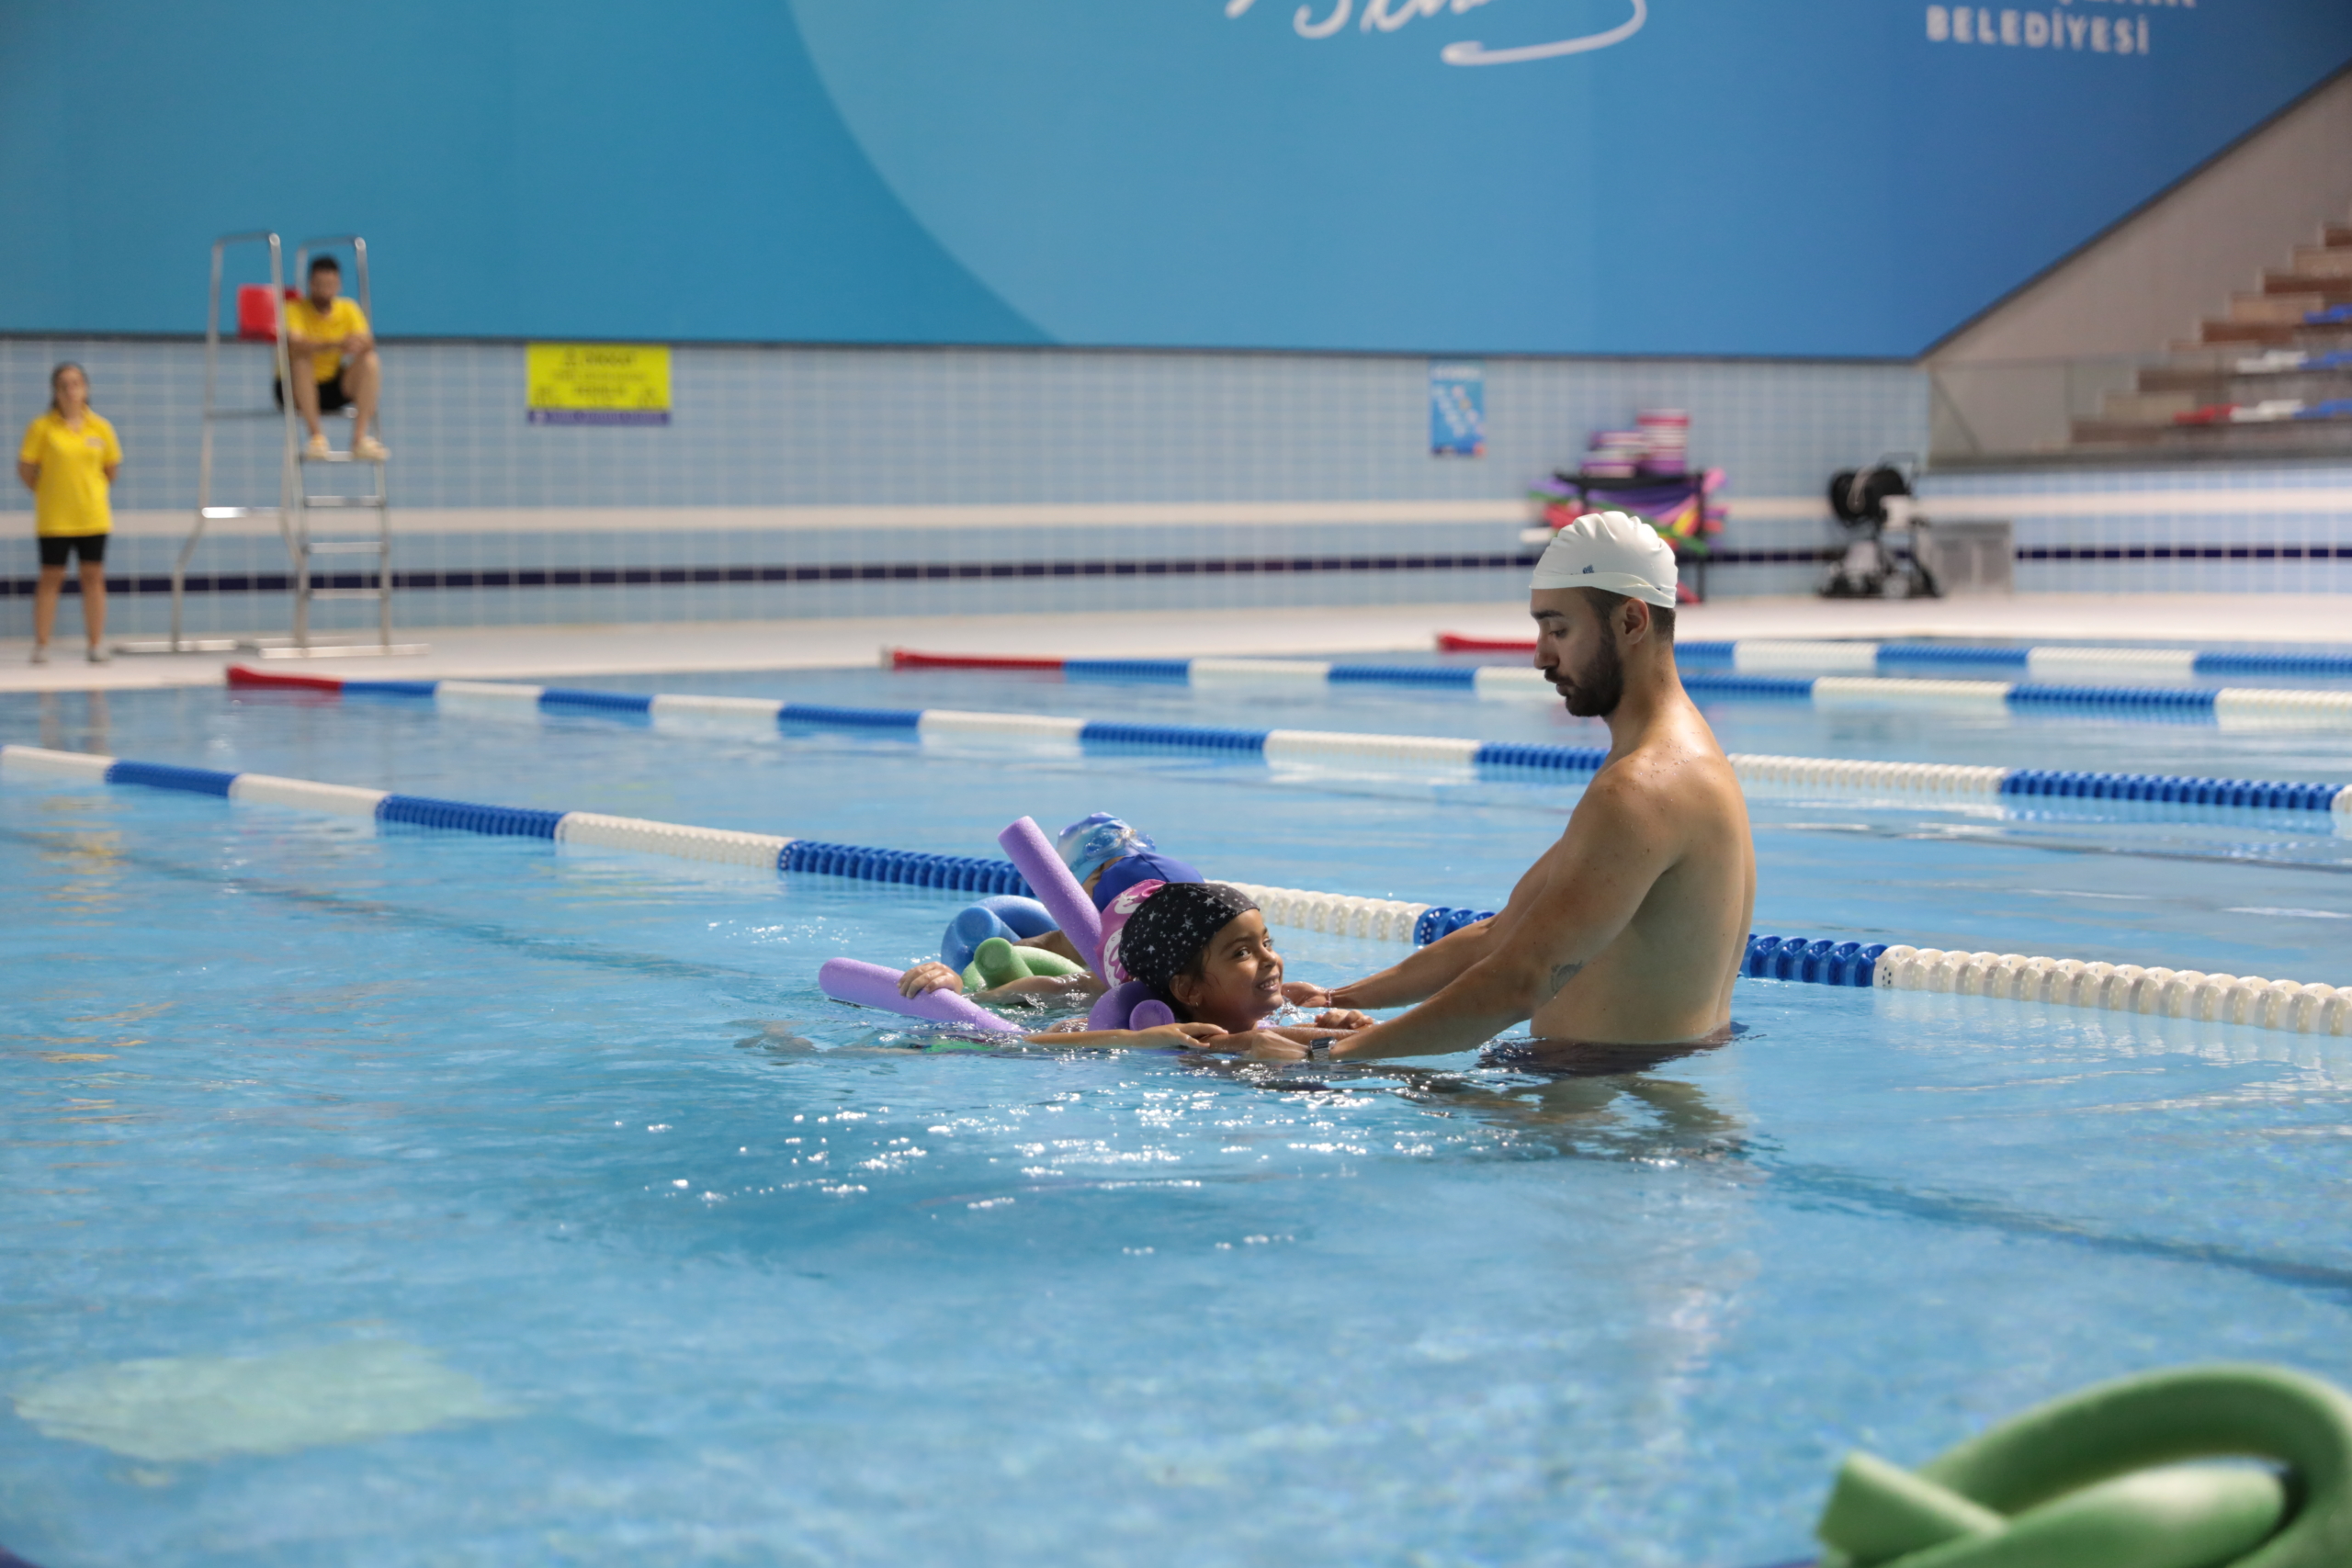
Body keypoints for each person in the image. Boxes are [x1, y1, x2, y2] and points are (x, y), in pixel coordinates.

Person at [1290, 510, 1757, 1063]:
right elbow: (1504, 936)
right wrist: (1330, 1001)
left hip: (1607, 1114)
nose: (1540, 655)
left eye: (1559, 629)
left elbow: (1519, 981)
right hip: (1621, 1093)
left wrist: (1322, 1059)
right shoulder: (1679, 761)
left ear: (1632, 622)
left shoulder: (1641, 787)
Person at [900, 880, 1370, 1054]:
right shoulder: (1108, 1020)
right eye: (1243, 952)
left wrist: (1339, 1018)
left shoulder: (1290, 1003)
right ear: (1187, 990)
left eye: (1267, 942)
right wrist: (953, 985)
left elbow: (1322, 1027)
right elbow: (1010, 1041)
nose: (1271, 959)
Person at [17, 363, 120, 665]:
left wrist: (87, 493)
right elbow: (26, 470)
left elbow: (110, 471)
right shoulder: (42, 428)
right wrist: (50, 492)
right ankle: (41, 645)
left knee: (93, 577)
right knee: (51, 577)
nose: (71, 390)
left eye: (76, 383)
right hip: (55, 518)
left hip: (93, 516)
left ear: (85, 389)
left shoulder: (101, 428)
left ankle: (96, 644)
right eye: (64, 384)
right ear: (55, 391)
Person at [279, 254, 387, 461]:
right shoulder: (294, 309)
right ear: (311, 284)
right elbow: (295, 343)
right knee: (301, 360)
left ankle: (359, 439)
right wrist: (336, 344)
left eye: (331, 284)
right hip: (295, 388)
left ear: (338, 285)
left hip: (332, 385)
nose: (325, 290)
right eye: (320, 285)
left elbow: (368, 342)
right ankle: (316, 437)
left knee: (370, 361)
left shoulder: (348, 308)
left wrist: (357, 345)